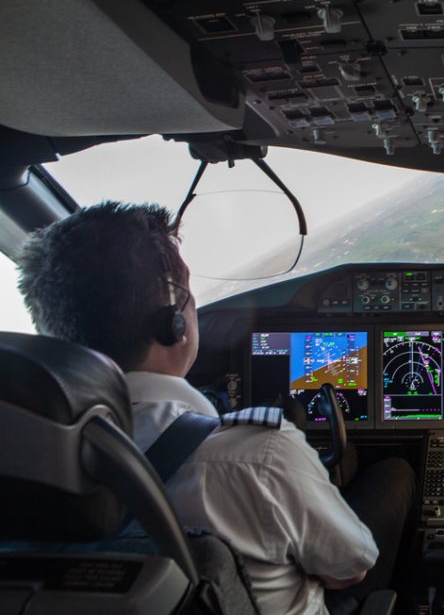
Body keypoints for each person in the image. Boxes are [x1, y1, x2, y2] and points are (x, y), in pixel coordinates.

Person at [17, 201, 415, 615]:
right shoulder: (258, 454)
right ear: (174, 321)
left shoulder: (19, 461)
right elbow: (349, 570)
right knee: (394, 473)